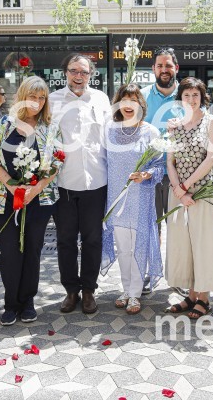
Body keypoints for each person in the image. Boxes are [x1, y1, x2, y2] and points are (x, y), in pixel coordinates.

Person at [0, 76, 61, 324]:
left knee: (32, 250)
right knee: (9, 252)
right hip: (5, 200)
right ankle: (11, 303)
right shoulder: (3, 126)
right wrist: (12, 186)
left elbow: (57, 162)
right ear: (22, 97)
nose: (38, 102)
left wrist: (34, 190)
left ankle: (28, 301)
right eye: (33, 97)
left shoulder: (50, 128)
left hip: (38, 201)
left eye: (42, 98)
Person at [49, 54, 111, 314]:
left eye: (84, 72)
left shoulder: (101, 99)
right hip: (62, 182)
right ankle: (70, 291)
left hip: (96, 181)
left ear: (90, 74)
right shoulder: (52, 101)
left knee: (93, 239)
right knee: (65, 240)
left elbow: (110, 137)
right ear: (65, 72)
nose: (78, 76)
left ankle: (88, 290)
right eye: (73, 70)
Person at [101, 83, 165, 315]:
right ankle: (126, 290)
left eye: (134, 100)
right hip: (116, 199)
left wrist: (147, 174)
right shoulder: (109, 130)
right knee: (122, 249)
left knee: (138, 246)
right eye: (124, 100)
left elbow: (160, 167)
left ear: (140, 104)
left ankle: (135, 294)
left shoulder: (151, 132)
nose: (129, 105)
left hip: (141, 197)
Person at [164, 77, 213, 319]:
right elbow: (170, 160)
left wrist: (187, 186)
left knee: (204, 243)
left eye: (195, 95)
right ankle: (190, 295)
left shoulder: (212, 122)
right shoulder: (174, 125)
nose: (191, 99)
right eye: (187, 95)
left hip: (203, 191)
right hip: (178, 192)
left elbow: (211, 158)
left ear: (202, 97)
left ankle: (204, 298)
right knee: (183, 244)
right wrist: (178, 189)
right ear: (181, 98)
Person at [140, 47, 180, 295]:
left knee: (177, 226)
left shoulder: (188, 96)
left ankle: (177, 275)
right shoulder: (142, 97)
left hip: (180, 173)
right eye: (159, 66)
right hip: (149, 173)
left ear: (176, 68)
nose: (164, 70)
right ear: (153, 69)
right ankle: (148, 273)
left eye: (168, 65)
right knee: (150, 226)